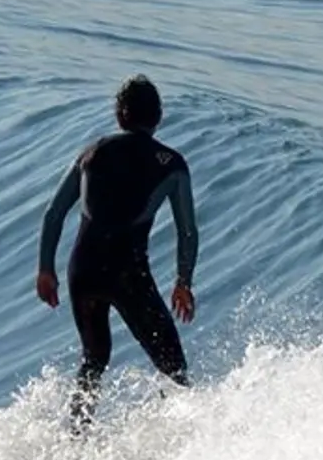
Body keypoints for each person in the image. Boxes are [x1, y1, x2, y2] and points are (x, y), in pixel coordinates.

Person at [33, 76, 199, 419]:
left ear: (120, 116)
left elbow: (54, 214)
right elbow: (187, 232)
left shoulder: (91, 152)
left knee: (94, 359)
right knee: (174, 369)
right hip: (126, 272)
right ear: (159, 116)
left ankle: (76, 439)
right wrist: (183, 281)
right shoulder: (172, 163)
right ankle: (181, 442)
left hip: (83, 270)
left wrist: (45, 269)